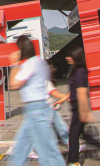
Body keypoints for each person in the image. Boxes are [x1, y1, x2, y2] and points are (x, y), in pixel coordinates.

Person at [7, 35, 66, 166]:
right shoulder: (39, 62)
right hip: (36, 110)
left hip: (36, 110)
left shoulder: (30, 63)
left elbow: (14, 84)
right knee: (20, 149)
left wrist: (14, 64)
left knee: (48, 153)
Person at [65, 47, 100, 166]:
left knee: (73, 135)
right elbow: (74, 90)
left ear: (75, 57)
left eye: (69, 56)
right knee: (82, 134)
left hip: (79, 108)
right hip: (77, 107)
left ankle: (74, 162)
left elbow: (82, 93)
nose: (67, 58)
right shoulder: (76, 69)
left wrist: (84, 112)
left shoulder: (79, 71)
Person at [46, 61, 69, 147]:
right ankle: (69, 143)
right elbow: (56, 94)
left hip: (45, 107)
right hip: (49, 108)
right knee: (60, 125)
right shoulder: (47, 82)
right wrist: (67, 97)